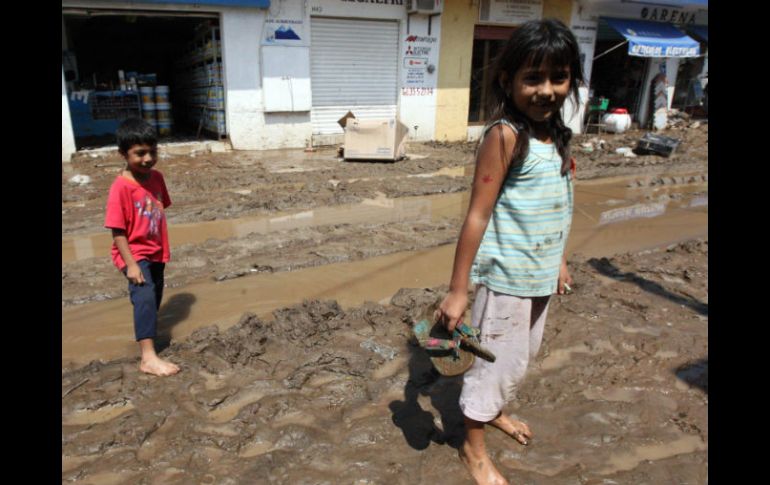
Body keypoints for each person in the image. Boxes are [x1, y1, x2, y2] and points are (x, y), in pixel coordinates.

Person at [434, 19, 582, 485]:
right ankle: (472, 450)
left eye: (558, 78)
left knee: (519, 357)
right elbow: (477, 215)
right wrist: (459, 291)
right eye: (532, 78)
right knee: (491, 363)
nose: (546, 90)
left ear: (571, 80)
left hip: (539, 275)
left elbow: (562, 205)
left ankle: (493, 412)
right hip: (506, 279)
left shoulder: (557, 135)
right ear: (508, 80)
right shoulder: (505, 136)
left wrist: (558, 259)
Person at [104, 118, 180, 377]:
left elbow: (158, 210)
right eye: (140, 153)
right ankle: (148, 357)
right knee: (145, 294)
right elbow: (118, 231)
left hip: (157, 249)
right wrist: (132, 264)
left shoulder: (157, 178)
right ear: (123, 154)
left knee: (154, 295)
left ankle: (148, 337)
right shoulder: (120, 187)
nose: (148, 158)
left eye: (153, 152)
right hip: (133, 253)